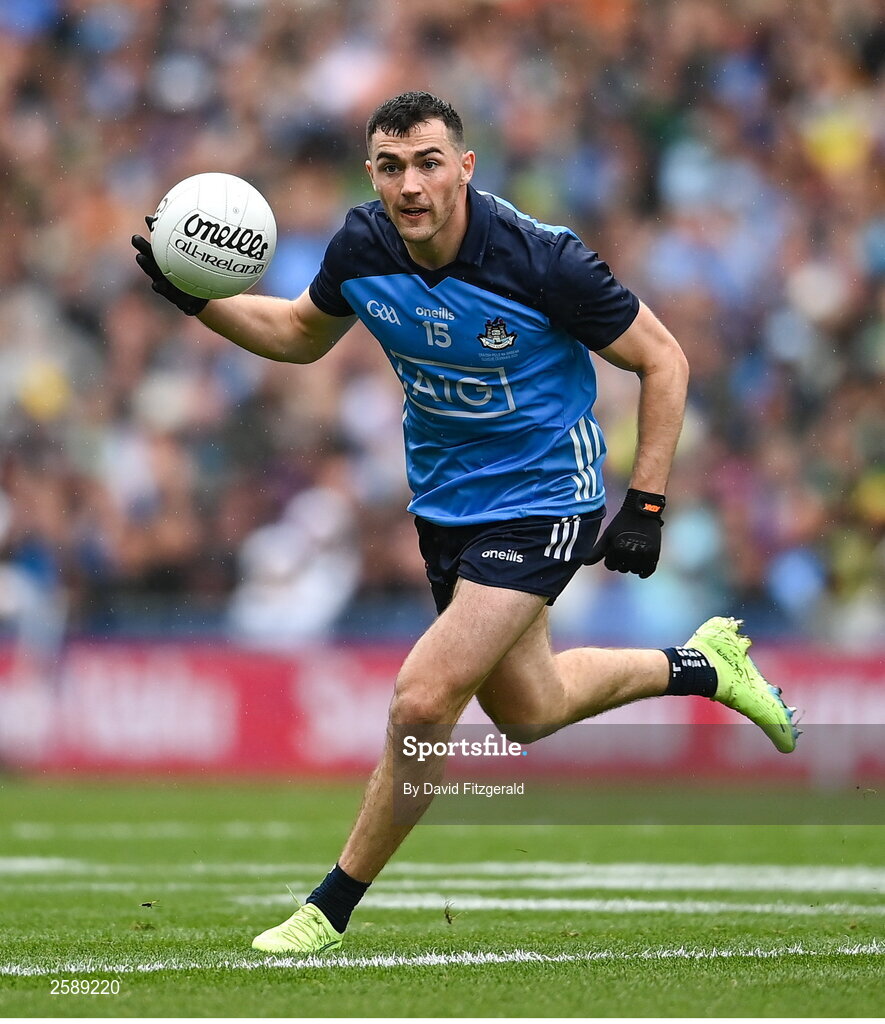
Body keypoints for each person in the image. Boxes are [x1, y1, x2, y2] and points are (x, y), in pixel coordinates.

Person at [132, 91, 799, 956]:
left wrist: (644, 502)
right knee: (529, 707)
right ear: (371, 174)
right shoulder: (361, 246)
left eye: (427, 162)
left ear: (465, 168)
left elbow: (662, 359)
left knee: (421, 700)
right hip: (446, 507)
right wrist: (198, 302)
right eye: (390, 166)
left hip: (545, 498)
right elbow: (300, 333)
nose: (409, 184)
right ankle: (702, 664)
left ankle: (326, 910)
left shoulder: (543, 262)